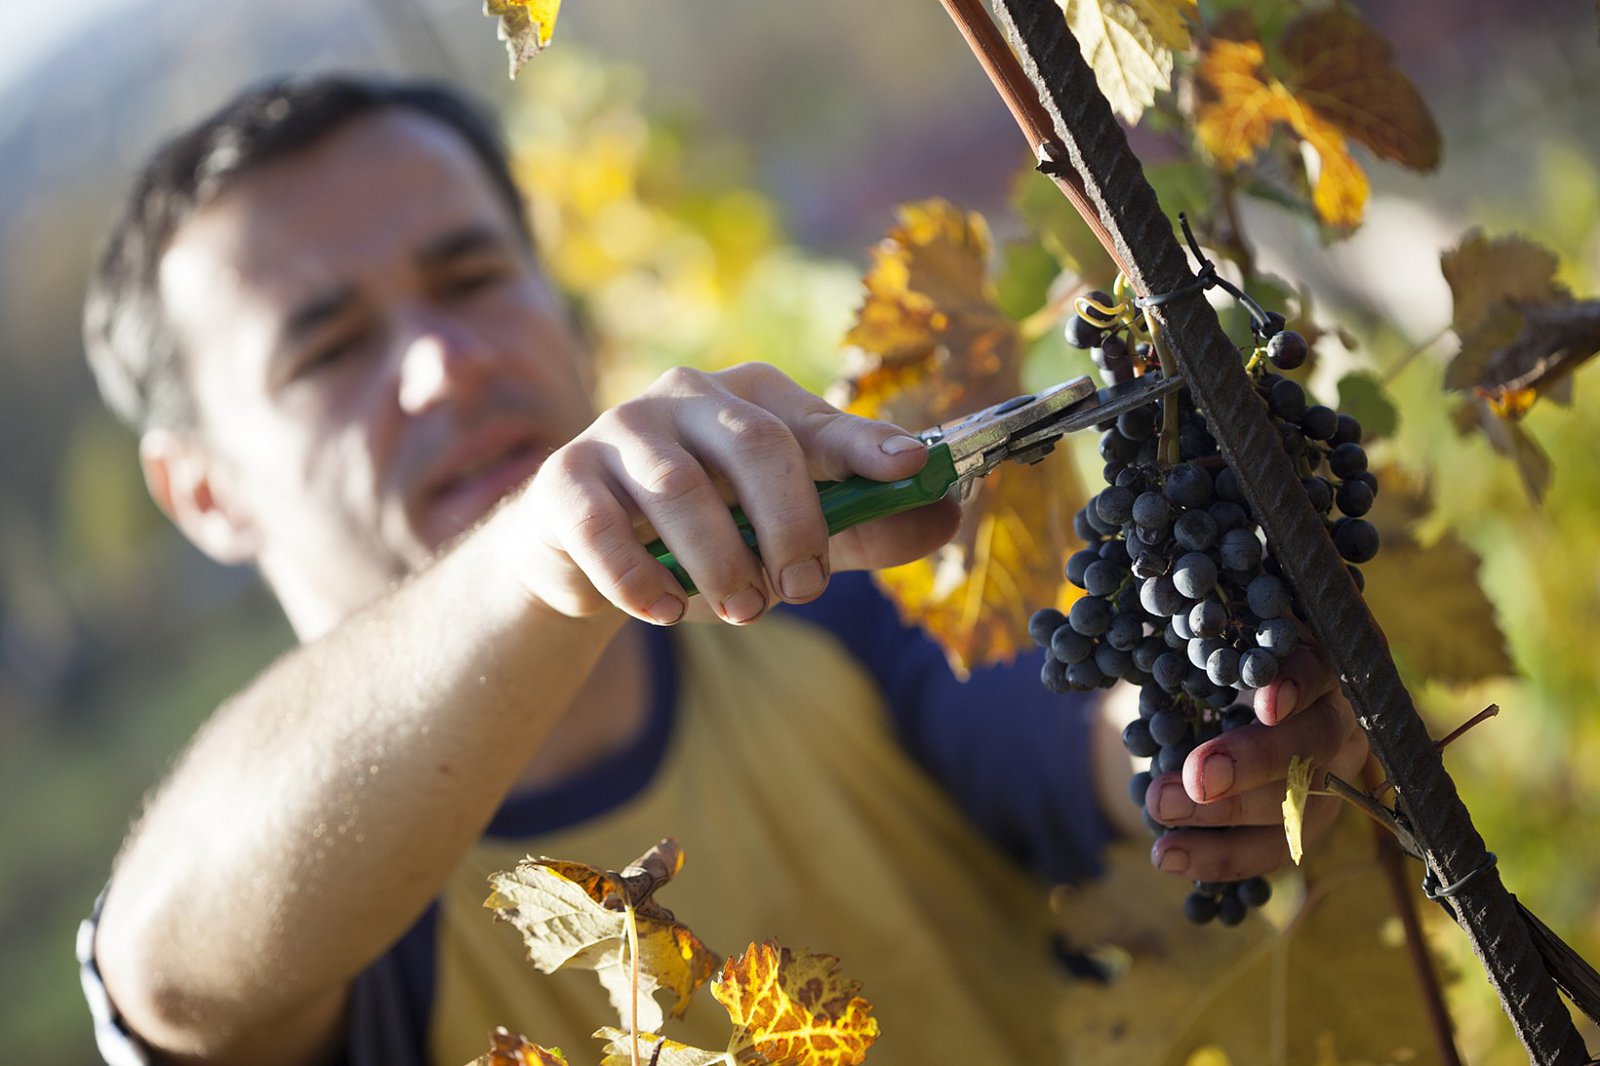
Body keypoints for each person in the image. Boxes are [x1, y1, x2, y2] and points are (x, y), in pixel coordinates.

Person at [77, 74, 1368, 1065]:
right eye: (325, 350)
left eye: (470, 277)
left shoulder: (829, 616)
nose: (442, 365)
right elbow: (173, 973)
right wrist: (533, 561)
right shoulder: (321, 892)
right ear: (202, 489)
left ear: (567, 315)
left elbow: (1074, 734)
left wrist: (1219, 721)